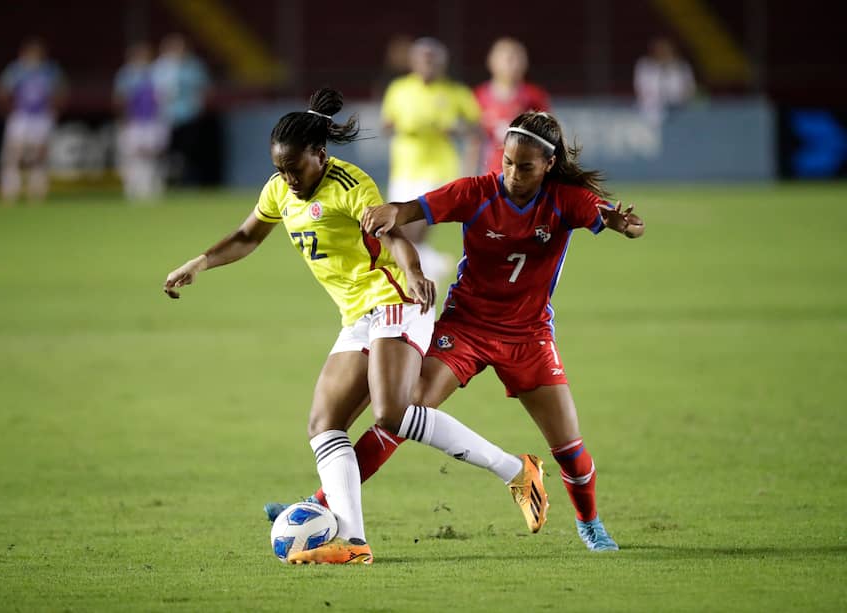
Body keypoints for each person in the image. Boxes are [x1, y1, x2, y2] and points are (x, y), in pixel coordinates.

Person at [164, 89, 547, 565]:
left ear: (320, 155)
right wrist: (199, 264)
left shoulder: (350, 185)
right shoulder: (279, 190)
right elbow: (247, 237)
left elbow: (394, 234)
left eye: (295, 168)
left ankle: (514, 469)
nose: (287, 178)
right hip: (356, 317)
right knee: (324, 426)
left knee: (391, 412)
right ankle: (355, 541)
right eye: (279, 169)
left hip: (394, 299)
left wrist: (413, 271)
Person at [271, 111, 644, 552]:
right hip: (466, 325)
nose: (512, 174)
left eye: (525, 167)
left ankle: (590, 524)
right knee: (403, 412)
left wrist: (622, 223)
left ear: (548, 164)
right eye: (507, 162)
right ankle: (323, 503)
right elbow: (417, 208)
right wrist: (391, 212)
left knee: (569, 448)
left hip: (529, 337)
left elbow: (604, 214)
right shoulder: (477, 192)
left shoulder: (565, 200)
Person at [381, 37, 481, 283]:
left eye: (432, 59)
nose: (428, 64)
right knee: (399, 227)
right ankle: (429, 263)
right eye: (423, 59)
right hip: (404, 167)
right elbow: (386, 125)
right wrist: (404, 127)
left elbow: (476, 130)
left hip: (439, 168)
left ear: (442, 63)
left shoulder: (455, 92)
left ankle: (421, 267)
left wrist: (453, 129)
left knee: (418, 221)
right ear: (413, 62)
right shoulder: (399, 89)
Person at [0, 38, 67, 203]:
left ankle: (37, 190)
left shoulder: (50, 71)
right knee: (14, 154)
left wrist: (54, 111)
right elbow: (1, 91)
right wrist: (9, 111)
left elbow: (61, 91)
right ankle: (10, 189)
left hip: (41, 117)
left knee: (39, 155)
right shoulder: (16, 70)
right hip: (21, 116)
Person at [473, 37, 552, 175]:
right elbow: (474, 142)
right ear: (492, 62)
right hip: (491, 175)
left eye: (519, 59)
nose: (514, 65)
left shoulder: (534, 97)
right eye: (509, 59)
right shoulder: (479, 97)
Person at [152, 33, 210, 186]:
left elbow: (202, 89)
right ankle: (167, 184)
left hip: (189, 115)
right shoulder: (160, 67)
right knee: (165, 154)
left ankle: (190, 183)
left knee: (190, 153)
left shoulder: (194, 66)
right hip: (165, 117)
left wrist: (197, 107)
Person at [114, 42, 169, 201]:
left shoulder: (156, 74)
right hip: (134, 121)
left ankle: (152, 189)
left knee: (152, 155)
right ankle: (133, 189)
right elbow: (120, 99)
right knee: (134, 156)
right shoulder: (125, 75)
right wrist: (123, 120)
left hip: (152, 121)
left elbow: (162, 99)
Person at [633, 36, 696, 126]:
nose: (663, 52)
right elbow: (641, 89)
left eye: (666, 49)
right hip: (650, 110)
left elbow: (689, 89)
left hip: (679, 108)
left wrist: (670, 68)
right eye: (659, 49)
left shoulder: (682, 66)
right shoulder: (644, 65)